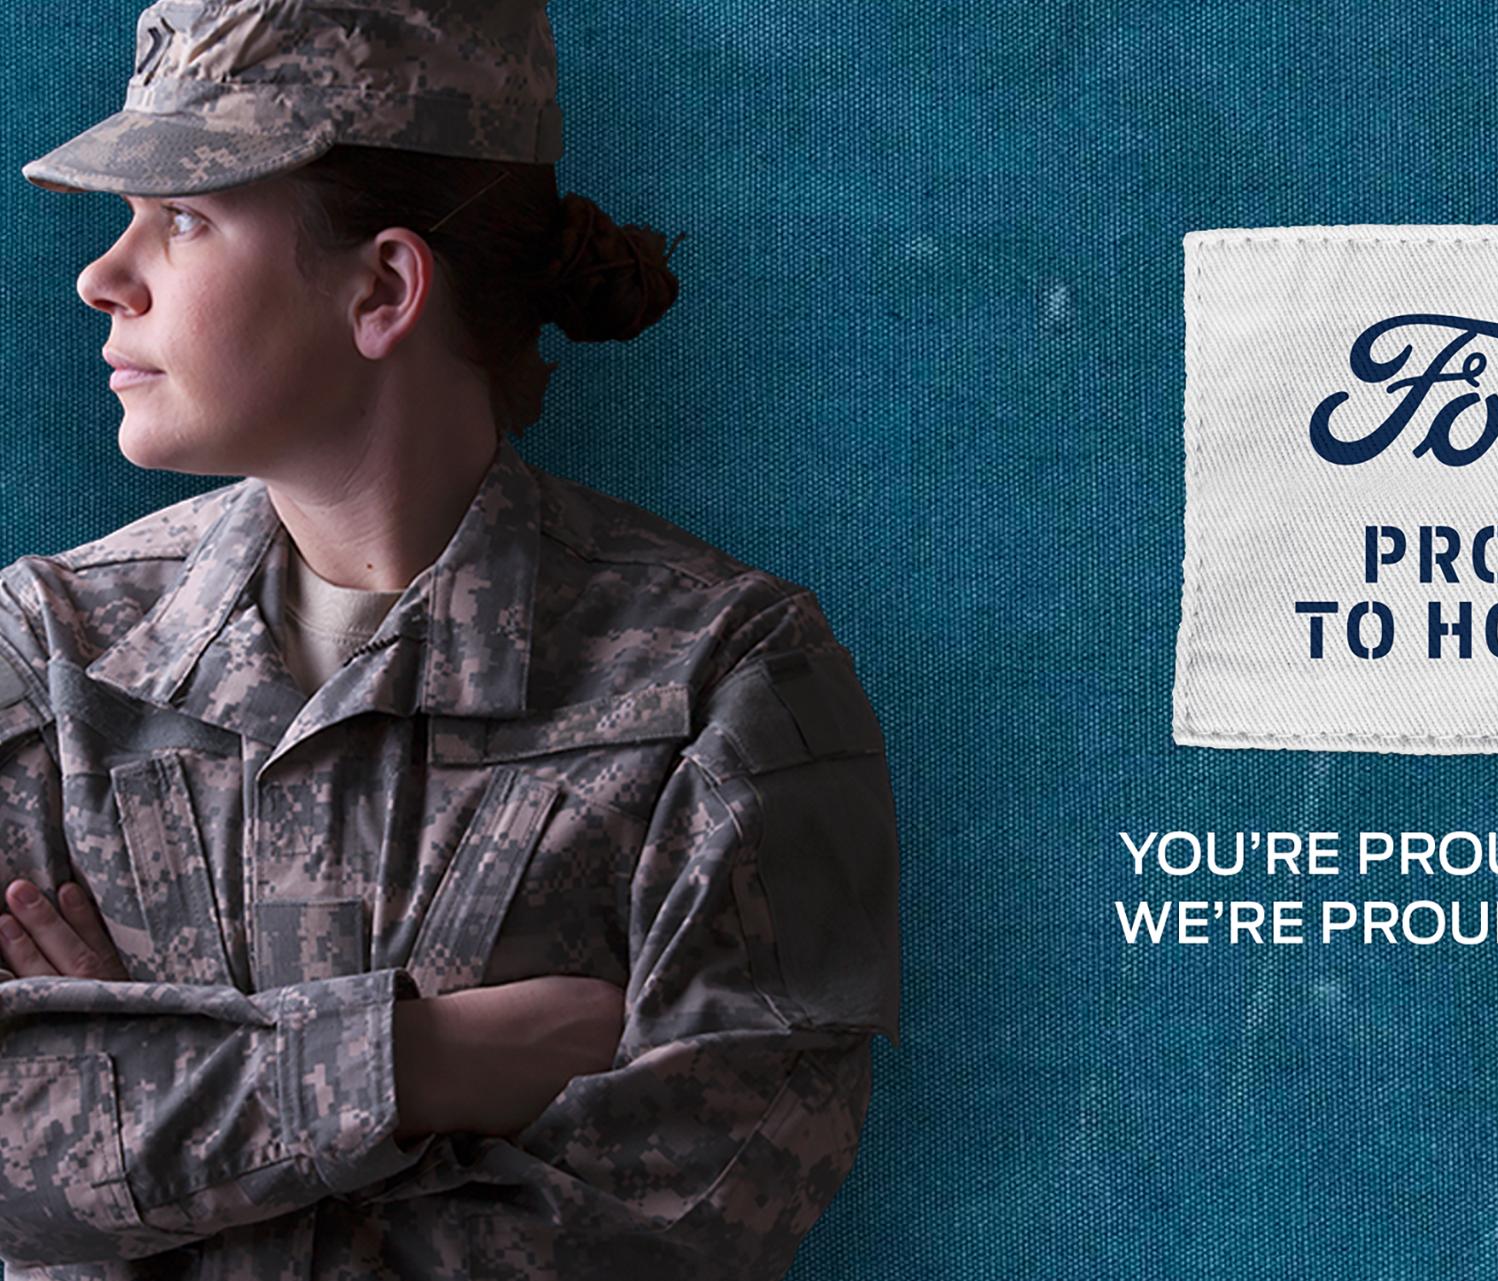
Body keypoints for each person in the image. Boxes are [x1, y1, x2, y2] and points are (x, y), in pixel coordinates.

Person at [0, 0, 901, 1277]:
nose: (104, 275)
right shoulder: (48, 649)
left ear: (382, 286)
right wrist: (420, 1068)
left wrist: (148, 1121)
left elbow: (687, 1224)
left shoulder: (724, 680)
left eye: (185, 217)